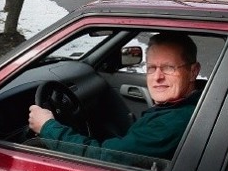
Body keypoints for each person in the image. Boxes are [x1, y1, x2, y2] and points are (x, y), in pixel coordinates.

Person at [28, 32, 202, 163]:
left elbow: (105, 158)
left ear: (193, 71)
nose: (157, 77)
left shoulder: (171, 123)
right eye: (151, 68)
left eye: (169, 68)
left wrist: (47, 127)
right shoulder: (191, 104)